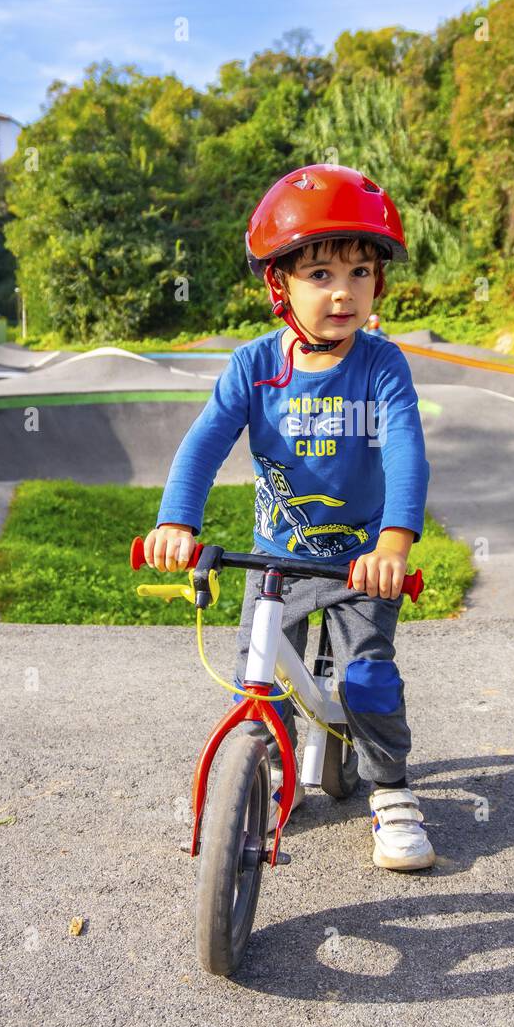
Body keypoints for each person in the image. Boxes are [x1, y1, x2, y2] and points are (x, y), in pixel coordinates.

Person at [143, 165, 434, 871]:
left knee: (366, 677)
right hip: (276, 560)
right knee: (260, 677)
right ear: (280, 285)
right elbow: (206, 442)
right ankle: (265, 770)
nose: (344, 291)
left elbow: (405, 449)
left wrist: (393, 541)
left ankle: (391, 788)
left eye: (361, 272)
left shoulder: (381, 366)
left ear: (378, 283)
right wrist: (177, 521)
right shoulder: (253, 367)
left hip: (360, 560)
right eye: (321, 274)